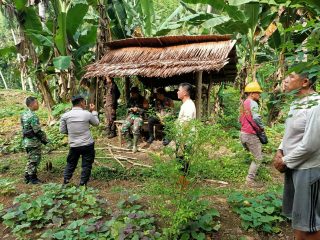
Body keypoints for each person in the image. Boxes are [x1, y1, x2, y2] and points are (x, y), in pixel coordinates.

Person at [273, 71, 320, 240]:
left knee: (310, 225)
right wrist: (280, 150)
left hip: (309, 169)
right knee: (300, 219)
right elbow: (291, 133)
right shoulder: (297, 103)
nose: (285, 80)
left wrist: (284, 161)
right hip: (294, 166)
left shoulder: (316, 105)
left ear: (305, 82)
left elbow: (311, 144)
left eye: (291, 77)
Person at [60, 95, 99, 186]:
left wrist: (71, 133)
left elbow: (62, 130)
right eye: (84, 102)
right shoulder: (87, 114)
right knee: (86, 164)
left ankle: (66, 182)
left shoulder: (65, 116)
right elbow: (96, 123)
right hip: (87, 144)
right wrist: (93, 111)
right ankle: (83, 184)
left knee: (71, 163)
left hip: (74, 145)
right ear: (81, 102)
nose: (85, 104)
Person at [239, 81, 265, 187]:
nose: (259, 95)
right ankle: (249, 180)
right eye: (257, 93)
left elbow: (241, 118)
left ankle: (251, 175)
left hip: (243, 133)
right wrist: (261, 127)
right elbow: (256, 117)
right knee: (258, 158)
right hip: (251, 134)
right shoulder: (253, 103)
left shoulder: (244, 103)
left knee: (253, 155)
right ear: (251, 93)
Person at [21, 96, 49, 184]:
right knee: (34, 160)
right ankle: (33, 179)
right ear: (32, 104)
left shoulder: (24, 114)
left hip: (26, 141)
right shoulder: (33, 116)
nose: (38, 105)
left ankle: (27, 176)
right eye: (37, 103)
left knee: (30, 159)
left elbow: (24, 128)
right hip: (33, 142)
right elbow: (37, 131)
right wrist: (45, 140)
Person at [176, 83, 196, 176]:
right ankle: (182, 184)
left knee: (183, 164)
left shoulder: (188, 105)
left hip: (185, 139)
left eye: (179, 90)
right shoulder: (185, 104)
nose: (177, 92)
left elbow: (186, 124)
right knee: (181, 163)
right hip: (183, 138)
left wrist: (181, 143)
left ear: (184, 93)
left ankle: (183, 185)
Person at [122, 87, 149, 153]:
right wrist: (130, 109)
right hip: (131, 116)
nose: (132, 94)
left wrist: (138, 109)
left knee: (136, 128)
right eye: (131, 93)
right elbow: (127, 108)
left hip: (140, 116)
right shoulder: (130, 99)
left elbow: (146, 109)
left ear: (137, 93)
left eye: (133, 93)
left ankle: (135, 146)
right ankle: (129, 142)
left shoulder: (143, 99)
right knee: (124, 127)